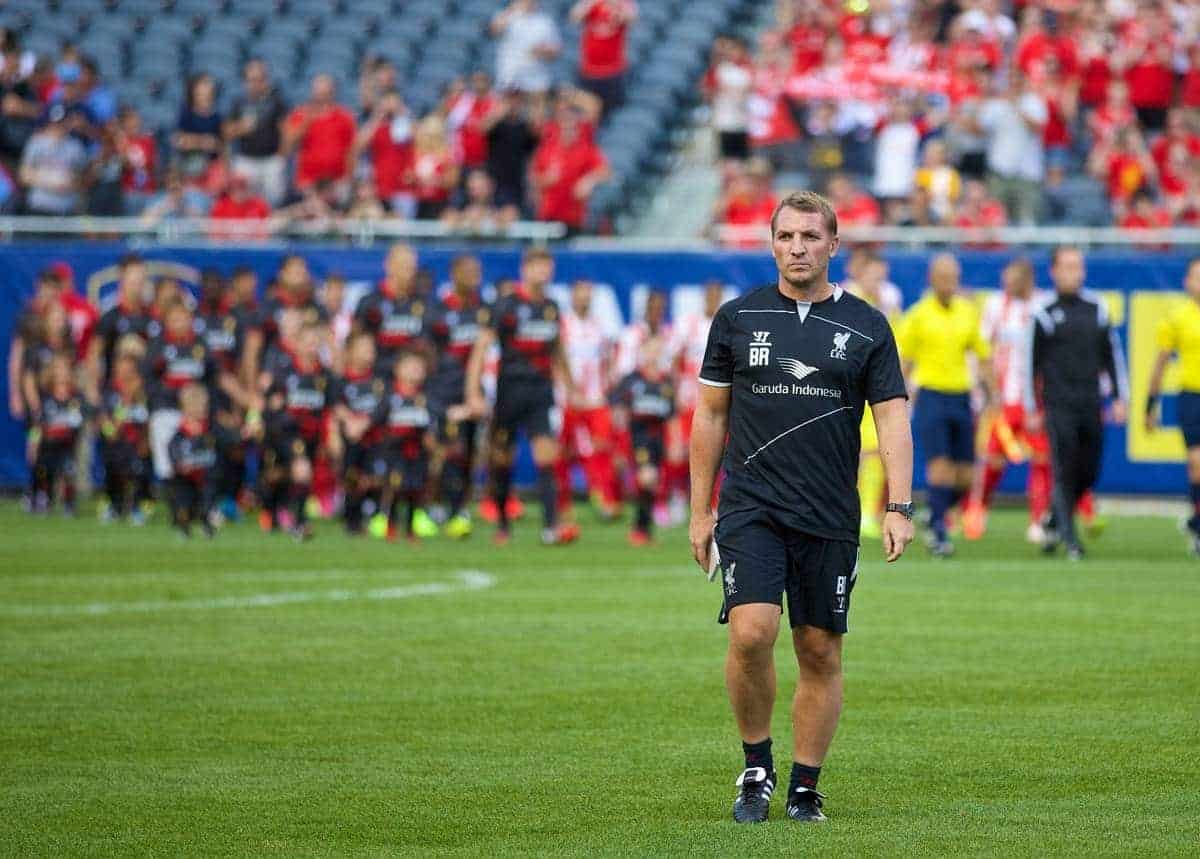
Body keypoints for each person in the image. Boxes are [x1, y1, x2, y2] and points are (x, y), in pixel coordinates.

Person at [688, 191, 913, 824]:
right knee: (752, 631)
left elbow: (893, 420)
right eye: (786, 236)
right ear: (771, 242)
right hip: (751, 506)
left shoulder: (867, 325)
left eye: (810, 237)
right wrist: (700, 511)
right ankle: (756, 767)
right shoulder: (737, 318)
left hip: (830, 513)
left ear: (833, 246)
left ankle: (805, 786)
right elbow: (709, 415)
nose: (797, 248)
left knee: (818, 650)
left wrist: (899, 505)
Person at [465, 245, 579, 546]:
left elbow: (557, 349)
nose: (543, 271)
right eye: (538, 265)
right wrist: (474, 391)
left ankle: (550, 526)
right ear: (525, 269)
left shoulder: (552, 306)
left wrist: (570, 385)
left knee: (546, 454)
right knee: (502, 457)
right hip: (510, 388)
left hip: (541, 389)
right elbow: (481, 348)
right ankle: (502, 522)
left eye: (547, 265)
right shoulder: (506, 305)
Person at [1027, 246, 1129, 560]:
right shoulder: (1044, 311)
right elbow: (1031, 363)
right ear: (1054, 271)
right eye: (1067, 266)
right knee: (1064, 466)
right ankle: (1070, 540)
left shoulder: (1096, 307)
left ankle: (1054, 520)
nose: (1074, 273)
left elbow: (1112, 355)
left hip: (1090, 400)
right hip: (1058, 403)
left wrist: (1119, 397)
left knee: (1089, 470)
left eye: (1078, 267)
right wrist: (1034, 406)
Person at [896, 254, 993, 557]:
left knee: (965, 476)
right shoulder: (918, 315)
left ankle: (935, 511)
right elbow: (905, 361)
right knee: (940, 468)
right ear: (932, 279)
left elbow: (982, 353)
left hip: (962, 397)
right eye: (944, 277)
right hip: (932, 395)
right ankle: (938, 532)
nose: (950, 283)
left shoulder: (967, 312)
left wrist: (994, 394)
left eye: (954, 277)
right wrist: (897, 398)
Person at [426, 254, 489, 539]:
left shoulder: (484, 310)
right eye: (468, 270)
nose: (474, 275)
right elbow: (429, 354)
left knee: (470, 452)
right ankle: (436, 504)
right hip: (444, 391)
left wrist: (478, 391)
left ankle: (460, 507)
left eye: (477, 270)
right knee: (445, 450)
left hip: (474, 391)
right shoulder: (438, 310)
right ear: (454, 273)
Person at [844, 251, 903, 539]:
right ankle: (854, 509)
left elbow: (896, 337)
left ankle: (867, 511)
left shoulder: (890, 297)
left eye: (882, 275)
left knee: (874, 449)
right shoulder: (845, 297)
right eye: (874, 275)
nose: (878, 280)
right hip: (849, 383)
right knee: (853, 450)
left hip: (877, 383)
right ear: (860, 272)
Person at [1145, 258, 1200, 555]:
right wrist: (1150, 405)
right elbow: (1160, 363)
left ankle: (1196, 521)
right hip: (1192, 396)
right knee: (1196, 464)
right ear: (1187, 283)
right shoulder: (1177, 317)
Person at [260, 320, 333, 540]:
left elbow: (330, 405)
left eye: (315, 343)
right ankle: (299, 522)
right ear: (297, 344)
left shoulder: (324, 375)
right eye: (307, 342)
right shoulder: (285, 371)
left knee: (284, 476)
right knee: (300, 471)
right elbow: (268, 402)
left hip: (311, 435)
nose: (312, 347)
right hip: (286, 432)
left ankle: (274, 512)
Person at [556, 279, 619, 518]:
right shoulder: (562, 325)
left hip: (595, 399)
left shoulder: (599, 327)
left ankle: (606, 499)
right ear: (572, 297)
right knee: (563, 452)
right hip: (567, 399)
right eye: (580, 294)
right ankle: (562, 504)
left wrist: (606, 389)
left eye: (588, 294)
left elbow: (607, 360)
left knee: (602, 447)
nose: (584, 298)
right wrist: (566, 390)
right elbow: (556, 361)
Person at [611, 335, 673, 544]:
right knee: (647, 477)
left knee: (651, 481)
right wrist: (619, 443)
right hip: (638, 437)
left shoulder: (666, 382)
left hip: (658, 439)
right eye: (650, 350)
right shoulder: (632, 380)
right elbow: (618, 411)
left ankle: (643, 529)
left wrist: (676, 441)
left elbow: (671, 415)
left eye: (658, 350)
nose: (654, 355)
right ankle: (640, 528)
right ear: (643, 353)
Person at [375, 350, 435, 541]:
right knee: (395, 486)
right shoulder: (391, 397)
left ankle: (410, 528)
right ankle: (390, 523)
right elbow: (378, 419)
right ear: (398, 370)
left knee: (415, 489)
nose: (414, 371)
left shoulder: (425, 398)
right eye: (410, 366)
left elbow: (432, 423)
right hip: (395, 452)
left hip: (417, 452)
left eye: (418, 367)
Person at [332, 332, 386, 535]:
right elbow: (335, 405)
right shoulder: (341, 380)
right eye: (363, 348)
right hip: (352, 440)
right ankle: (351, 519)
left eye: (371, 348)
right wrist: (349, 421)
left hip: (375, 439)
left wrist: (365, 422)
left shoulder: (378, 380)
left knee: (375, 477)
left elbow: (384, 405)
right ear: (350, 352)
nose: (369, 352)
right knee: (352, 477)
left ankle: (376, 513)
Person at [28, 355, 90, 516]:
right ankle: (42, 500)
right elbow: (37, 425)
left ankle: (69, 504)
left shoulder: (76, 399)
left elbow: (82, 420)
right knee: (43, 472)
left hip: (66, 446)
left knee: (69, 472)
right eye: (58, 370)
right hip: (47, 446)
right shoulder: (45, 398)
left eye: (65, 370)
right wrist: (33, 445)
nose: (62, 374)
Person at [224, 59, 289, 207]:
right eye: (251, 80)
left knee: (273, 202)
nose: (256, 84)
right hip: (246, 160)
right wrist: (241, 127)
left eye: (260, 79)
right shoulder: (239, 102)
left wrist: (281, 157)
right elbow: (226, 132)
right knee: (243, 202)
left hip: (271, 160)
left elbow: (286, 131)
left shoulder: (276, 102)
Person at [282, 74, 356, 199]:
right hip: (308, 180)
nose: (322, 98)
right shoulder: (300, 114)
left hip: (337, 180)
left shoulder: (345, 117)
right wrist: (306, 122)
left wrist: (349, 177)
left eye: (326, 94)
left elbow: (352, 150)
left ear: (333, 93)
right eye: (319, 94)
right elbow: (288, 146)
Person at [167, 383, 219, 538]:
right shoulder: (181, 432)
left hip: (205, 476)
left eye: (204, 405)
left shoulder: (209, 429)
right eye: (197, 406)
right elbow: (173, 449)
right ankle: (184, 527)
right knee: (184, 503)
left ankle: (206, 525)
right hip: (185, 478)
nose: (202, 409)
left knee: (206, 503)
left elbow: (222, 442)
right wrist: (178, 464)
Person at [569, 0, 637, 116]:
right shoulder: (591, 3)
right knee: (585, 112)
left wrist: (615, 5)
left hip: (612, 72)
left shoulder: (624, 3)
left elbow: (631, 19)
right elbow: (574, 18)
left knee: (611, 113)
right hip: (588, 71)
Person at [19, 104, 88, 215]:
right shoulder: (37, 143)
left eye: (62, 123)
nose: (59, 127)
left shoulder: (76, 146)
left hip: (66, 208)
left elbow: (82, 179)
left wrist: (69, 182)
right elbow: (23, 175)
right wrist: (48, 181)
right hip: (39, 207)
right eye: (55, 123)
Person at [491, 0, 562, 96]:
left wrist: (544, 51)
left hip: (537, 80)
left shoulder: (545, 21)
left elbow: (557, 51)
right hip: (510, 77)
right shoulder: (509, 15)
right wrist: (512, 9)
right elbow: (494, 30)